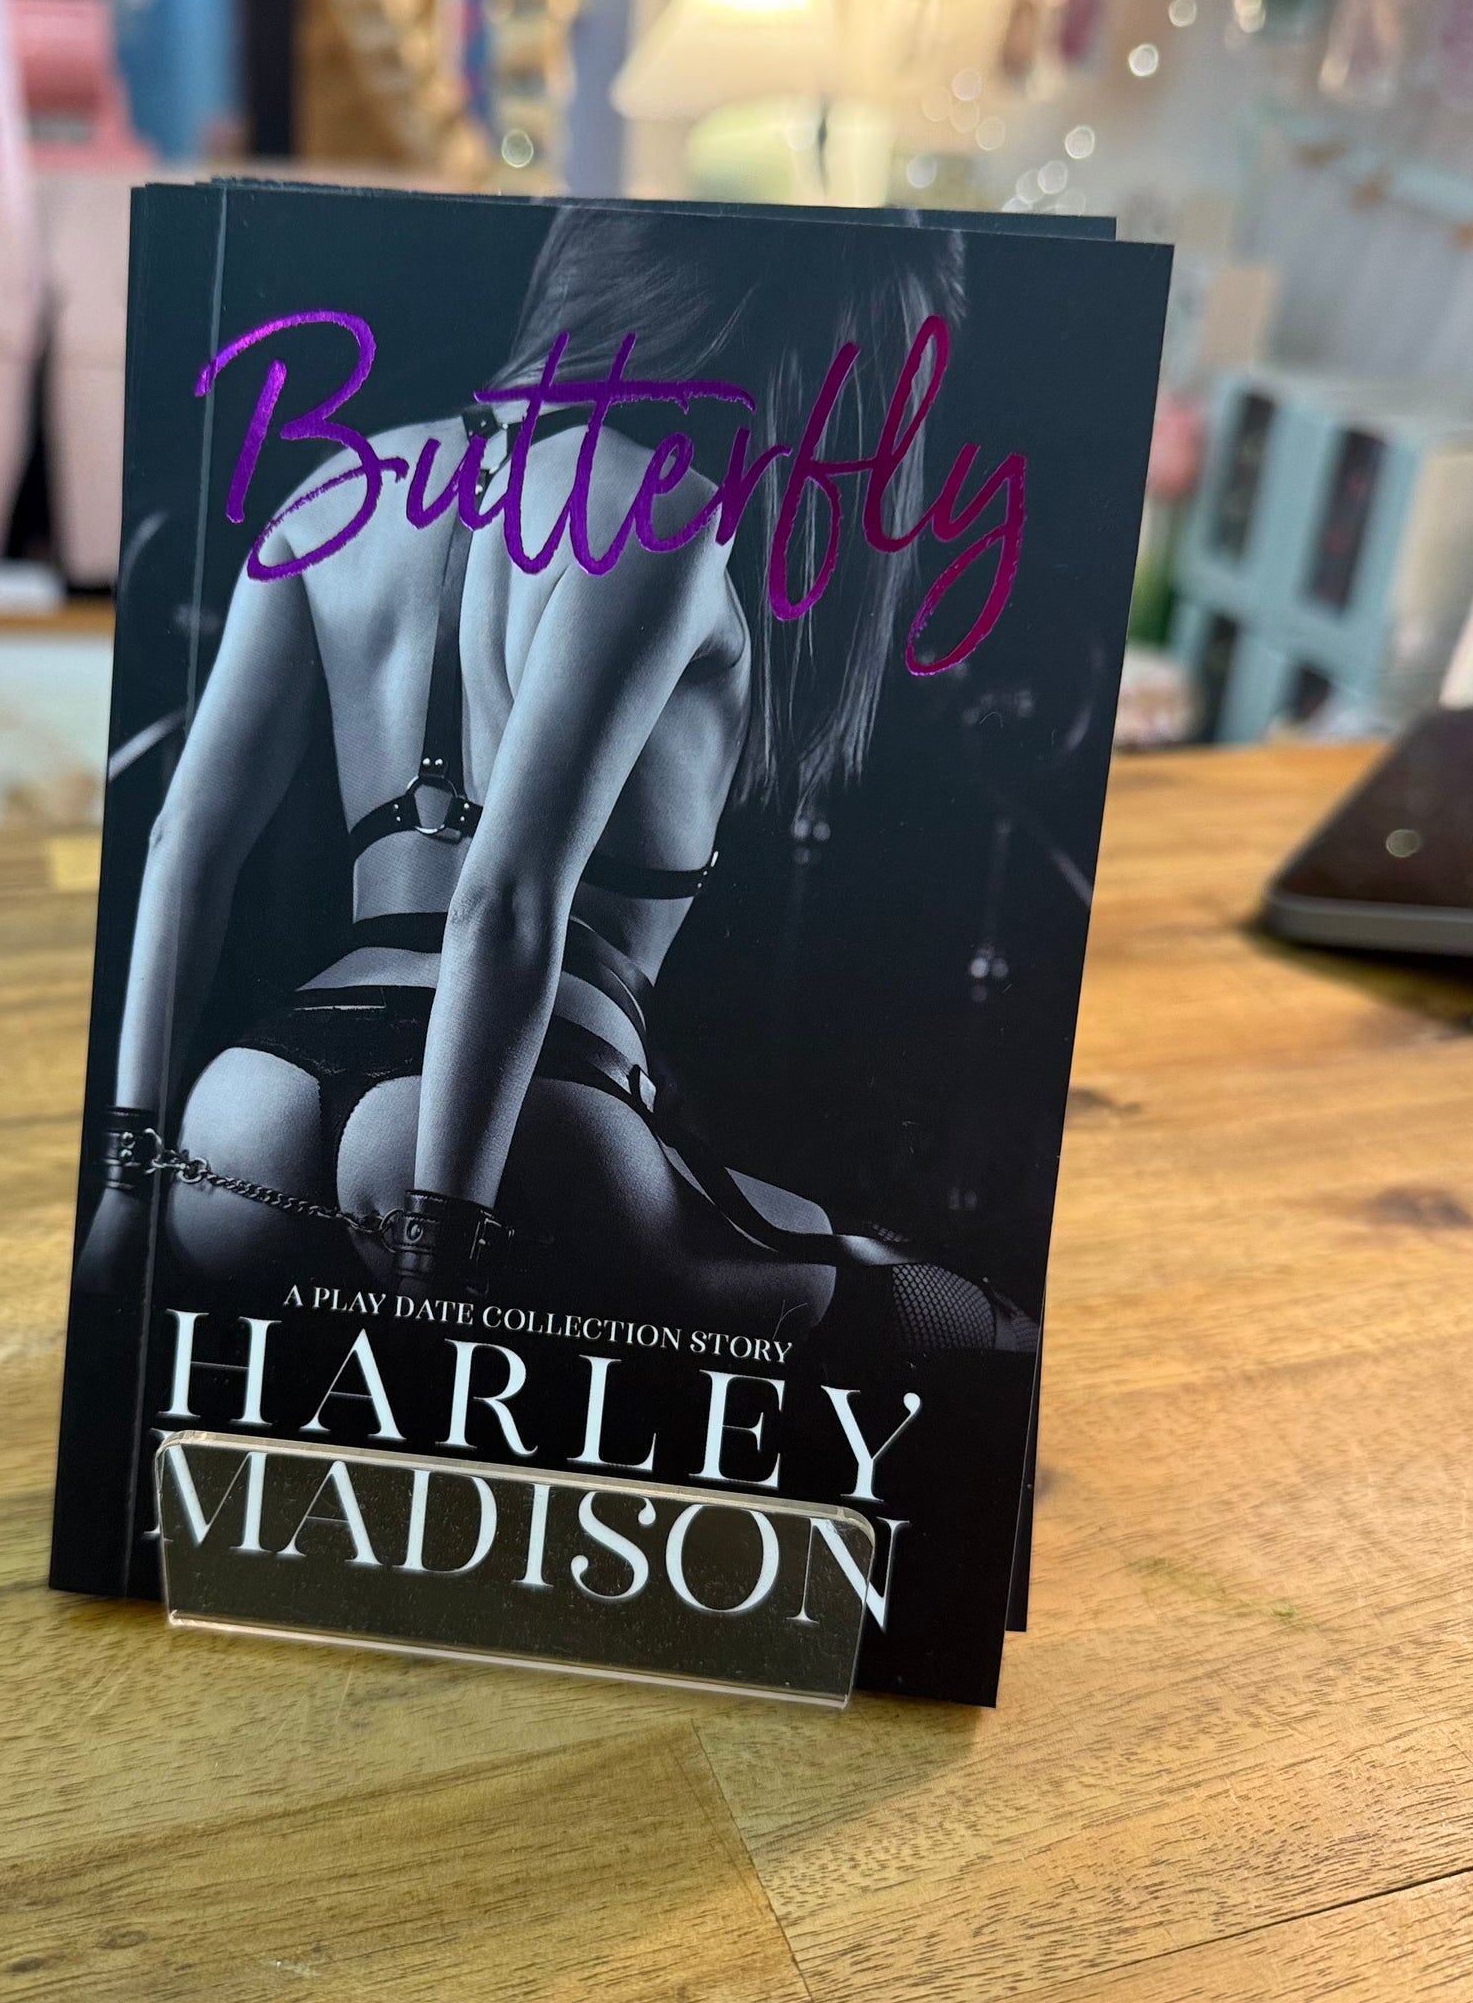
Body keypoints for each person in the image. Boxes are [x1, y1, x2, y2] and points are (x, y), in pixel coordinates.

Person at [79, 208, 1025, 1353]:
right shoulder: (666, 509)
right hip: (511, 1125)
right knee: (971, 1327)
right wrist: (435, 1242)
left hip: (250, 1110)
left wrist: (126, 1185)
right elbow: (500, 895)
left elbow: (183, 841)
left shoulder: (335, 489)